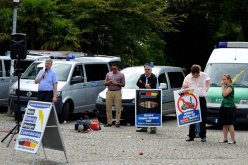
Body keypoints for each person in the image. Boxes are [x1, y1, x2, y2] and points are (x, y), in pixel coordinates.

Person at [182, 64, 210, 142]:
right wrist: (186, 88)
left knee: (203, 118)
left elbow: (208, 79)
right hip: (192, 99)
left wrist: (207, 87)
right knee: (192, 117)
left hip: (201, 98)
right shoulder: (187, 77)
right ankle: (191, 136)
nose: (197, 76)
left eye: (198, 74)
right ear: (192, 73)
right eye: (195, 75)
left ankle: (203, 136)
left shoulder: (203, 75)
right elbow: (183, 87)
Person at [136, 63, 158, 134]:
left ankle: (153, 128)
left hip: (152, 96)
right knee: (143, 111)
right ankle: (144, 127)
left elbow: (154, 86)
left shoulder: (154, 77)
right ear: (144, 70)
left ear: (151, 70)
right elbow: (138, 83)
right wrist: (145, 85)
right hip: (143, 96)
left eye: (148, 69)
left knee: (152, 111)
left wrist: (144, 85)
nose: (147, 71)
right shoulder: (142, 76)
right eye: (146, 69)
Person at [104, 63, 125, 128]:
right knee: (108, 107)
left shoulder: (121, 74)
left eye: (115, 69)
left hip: (117, 92)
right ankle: (109, 122)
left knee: (118, 107)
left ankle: (117, 122)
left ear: (117, 68)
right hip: (109, 91)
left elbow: (123, 84)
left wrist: (116, 83)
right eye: (112, 69)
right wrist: (108, 82)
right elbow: (105, 83)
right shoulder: (108, 74)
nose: (113, 70)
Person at [219, 74, 236, 144]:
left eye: (224, 79)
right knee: (224, 124)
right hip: (224, 106)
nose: (223, 81)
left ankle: (233, 139)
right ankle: (225, 139)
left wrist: (222, 86)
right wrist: (223, 86)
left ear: (229, 79)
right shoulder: (226, 86)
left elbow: (224, 94)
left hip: (229, 107)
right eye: (222, 79)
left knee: (230, 124)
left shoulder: (230, 87)